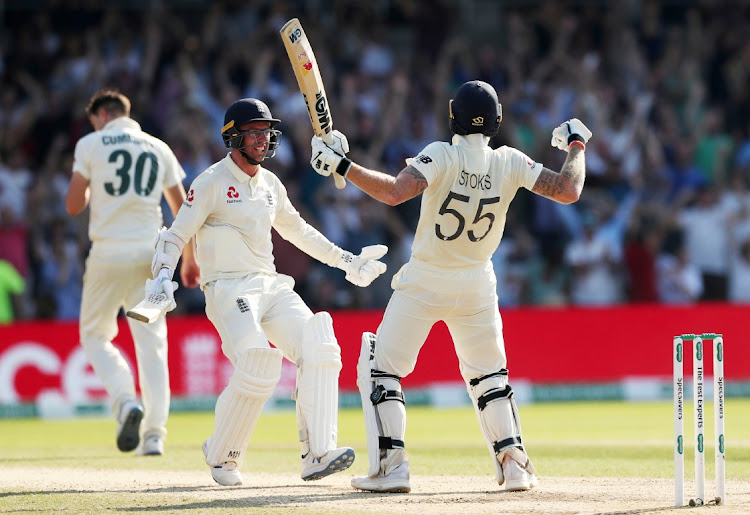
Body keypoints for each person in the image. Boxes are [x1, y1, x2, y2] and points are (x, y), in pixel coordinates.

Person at [310, 80, 591, 493]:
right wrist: (577, 144)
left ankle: (393, 467)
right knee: (490, 377)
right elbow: (569, 190)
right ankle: (514, 464)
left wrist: (342, 167)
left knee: (381, 367)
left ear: (452, 117)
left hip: (426, 278)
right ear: (497, 121)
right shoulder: (511, 160)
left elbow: (393, 192)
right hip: (477, 281)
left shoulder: (442, 153)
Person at [143, 97, 388, 486]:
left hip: (271, 284)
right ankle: (222, 456)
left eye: (266, 132)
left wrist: (347, 261)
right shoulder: (210, 182)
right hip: (227, 287)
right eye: (254, 132)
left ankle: (317, 453)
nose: (262, 139)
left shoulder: (270, 184)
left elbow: (299, 231)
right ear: (232, 137)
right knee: (259, 362)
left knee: (319, 342)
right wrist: (160, 278)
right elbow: (175, 235)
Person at [66, 88, 199, 456]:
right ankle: (155, 435)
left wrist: (93, 184)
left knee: (94, 335)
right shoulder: (158, 147)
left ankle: (125, 402)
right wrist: (189, 259)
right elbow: (181, 209)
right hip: (149, 254)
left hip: (108, 253)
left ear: (102, 116)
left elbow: (74, 204)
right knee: (153, 344)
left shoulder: (91, 143)